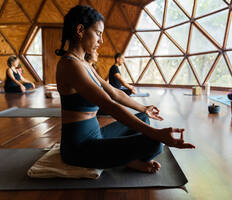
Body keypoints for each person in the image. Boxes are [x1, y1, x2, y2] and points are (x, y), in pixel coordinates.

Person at [55, 5, 194, 173]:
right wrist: (156, 134)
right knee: (155, 143)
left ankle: (125, 158)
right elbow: (109, 105)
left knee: (143, 118)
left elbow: (114, 93)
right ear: (80, 30)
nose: (101, 40)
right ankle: (127, 159)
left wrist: (144, 108)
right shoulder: (70, 65)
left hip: (96, 135)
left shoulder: (84, 64)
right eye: (98, 33)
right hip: (78, 149)